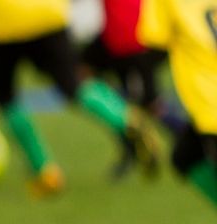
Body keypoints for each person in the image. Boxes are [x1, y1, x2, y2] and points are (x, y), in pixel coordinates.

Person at [0, 0, 160, 196]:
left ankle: (45, 171)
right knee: (74, 85)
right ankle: (125, 118)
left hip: (1, 23)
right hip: (48, 15)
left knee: (6, 99)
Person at [137, 0, 217, 224]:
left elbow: (153, 45)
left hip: (211, 104)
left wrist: (147, 93)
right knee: (185, 158)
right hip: (206, 107)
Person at [79, 0, 184, 178]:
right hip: (116, 37)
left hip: (137, 40)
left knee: (150, 104)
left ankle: (193, 142)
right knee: (82, 75)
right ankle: (131, 143)